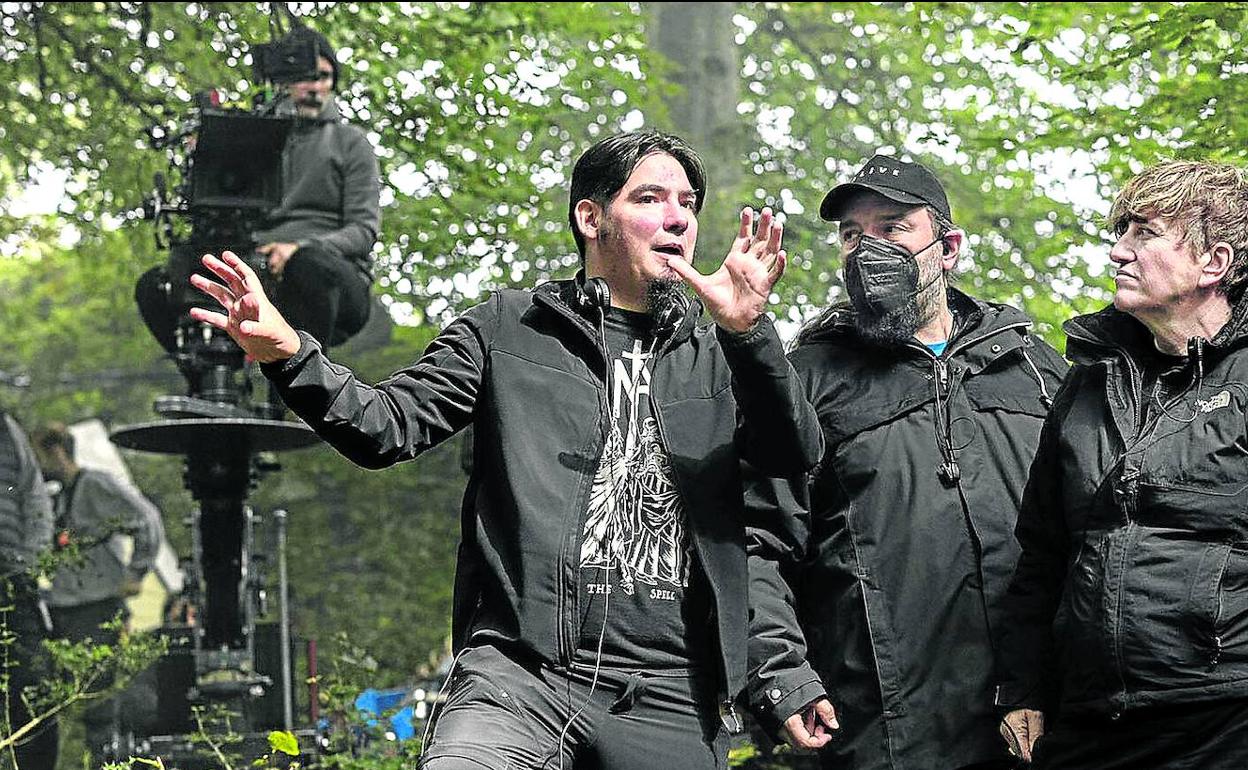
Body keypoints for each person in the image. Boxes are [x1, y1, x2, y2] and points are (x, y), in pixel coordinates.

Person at [188, 130, 823, 770]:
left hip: (670, 691)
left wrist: (749, 335)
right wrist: (290, 355)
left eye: (687, 203)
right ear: (591, 217)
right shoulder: (508, 327)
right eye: (650, 197)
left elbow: (791, 456)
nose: (677, 217)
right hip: (520, 676)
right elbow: (387, 425)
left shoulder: (723, 357)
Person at [744, 154, 1068, 769]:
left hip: (1045, 715)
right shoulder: (805, 379)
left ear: (947, 247)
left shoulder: (1035, 369)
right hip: (882, 727)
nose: (869, 252)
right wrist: (780, 672)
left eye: (893, 229)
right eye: (852, 236)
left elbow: (1095, 531)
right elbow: (758, 540)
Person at [996, 160, 1248, 768]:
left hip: (1224, 717)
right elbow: (1042, 553)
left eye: (1145, 232)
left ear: (1214, 263)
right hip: (1091, 718)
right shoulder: (1087, 382)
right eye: (1122, 231)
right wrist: (1023, 686)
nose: (1118, 250)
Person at [136, 25, 381, 358]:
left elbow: (363, 231)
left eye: (324, 77)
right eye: (307, 77)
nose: (316, 87)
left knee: (308, 265)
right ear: (282, 81)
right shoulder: (251, 139)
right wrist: (209, 153)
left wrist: (297, 248)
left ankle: (298, 396)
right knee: (157, 285)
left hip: (330, 277)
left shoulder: (351, 143)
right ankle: (210, 386)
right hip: (256, 266)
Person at [30, 422, 166, 762]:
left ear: (56, 451)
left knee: (100, 703)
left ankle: (110, 765)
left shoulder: (95, 485)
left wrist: (137, 572)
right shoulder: (59, 494)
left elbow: (147, 519)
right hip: (65, 608)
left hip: (96, 607)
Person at [0, 411, 57, 770]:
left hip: (11, 579)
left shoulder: (6, 430)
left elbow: (35, 498)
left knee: (31, 685)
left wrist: (28, 564)